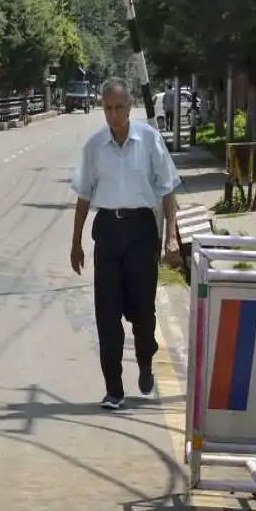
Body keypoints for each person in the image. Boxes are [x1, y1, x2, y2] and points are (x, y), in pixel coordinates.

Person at [70, 77, 182, 410]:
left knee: (143, 313)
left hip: (141, 232)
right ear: (102, 109)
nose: (114, 115)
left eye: (119, 108)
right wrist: (75, 241)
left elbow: (167, 189)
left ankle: (146, 361)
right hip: (106, 231)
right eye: (108, 109)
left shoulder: (149, 140)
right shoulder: (94, 147)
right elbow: (83, 195)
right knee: (107, 313)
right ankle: (114, 388)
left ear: (129, 107)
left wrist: (171, 236)